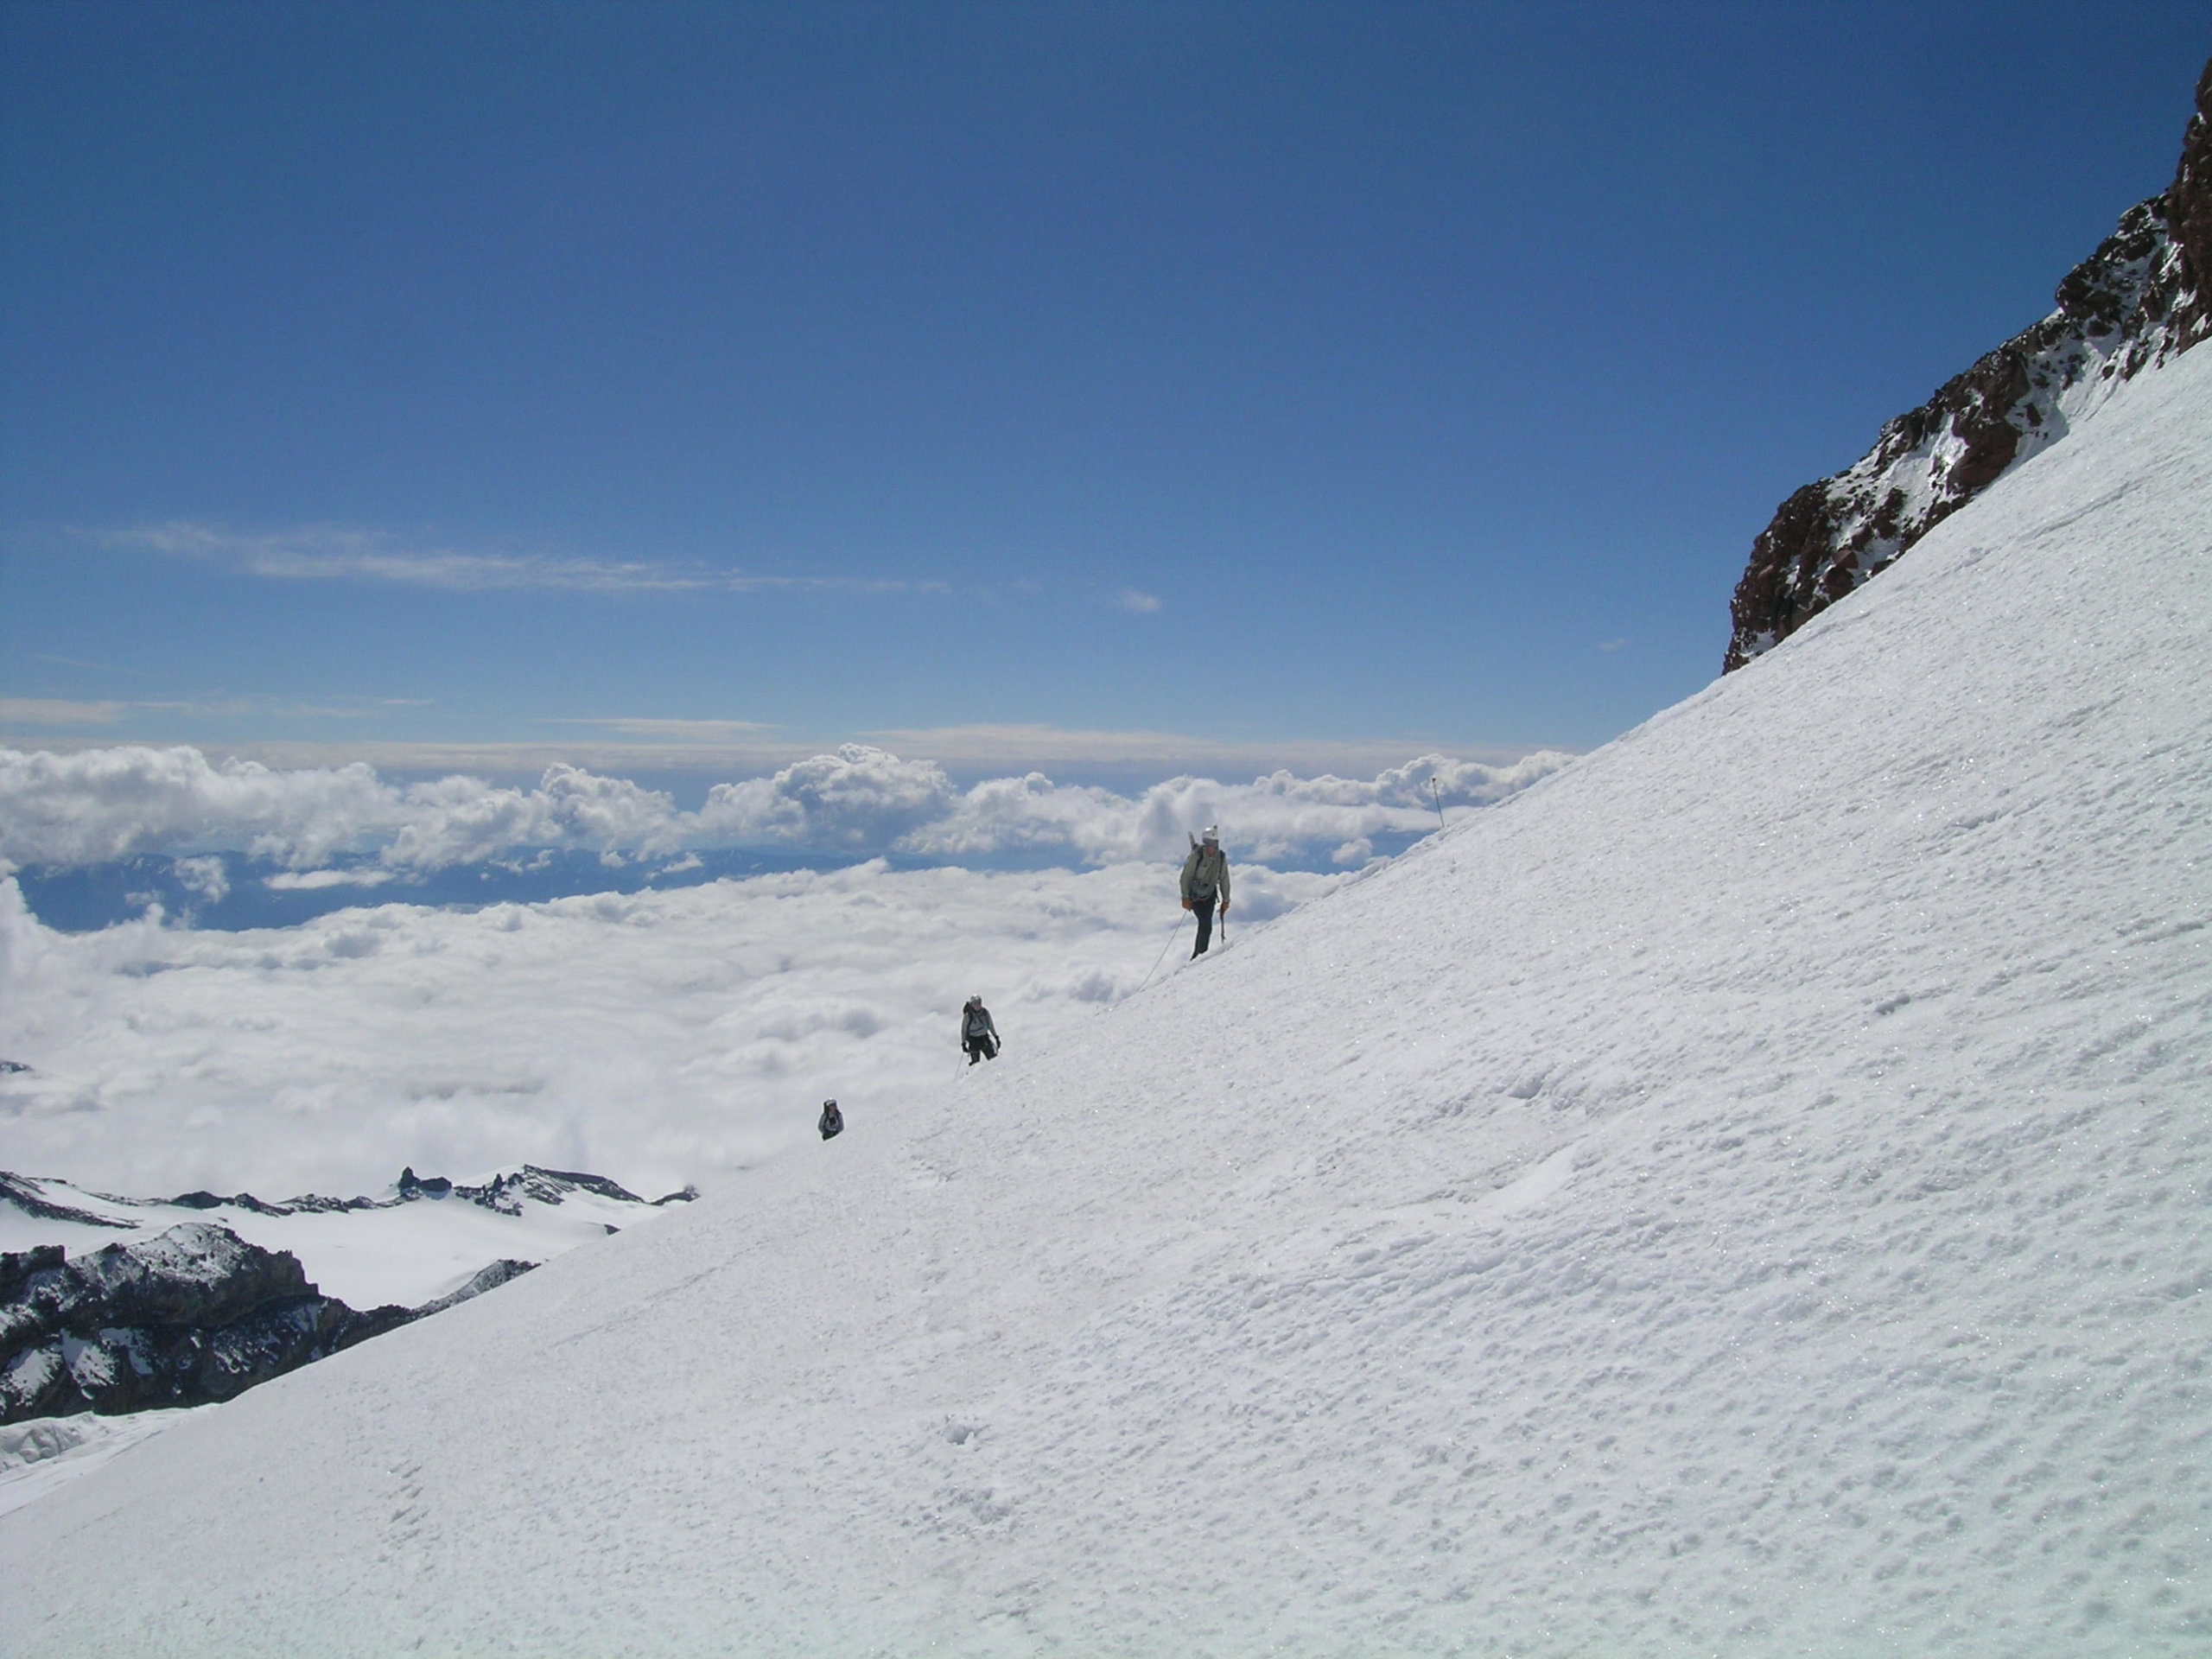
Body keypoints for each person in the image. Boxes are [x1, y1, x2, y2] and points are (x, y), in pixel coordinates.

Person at [1179, 824, 1231, 957]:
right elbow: (1186, 876)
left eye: (1213, 844)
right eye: (1208, 844)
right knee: (1204, 923)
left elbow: (1224, 878)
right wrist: (1185, 897)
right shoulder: (1197, 855)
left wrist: (1226, 900)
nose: (1211, 848)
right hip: (1195, 897)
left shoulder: (1221, 858)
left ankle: (1200, 955)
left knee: (1206, 925)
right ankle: (1199, 955)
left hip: (1209, 896)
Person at [960, 995, 1000, 1065]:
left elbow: (990, 1025)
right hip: (973, 1040)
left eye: (979, 1003)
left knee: (993, 1059)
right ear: (972, 1005)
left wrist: (996, 1037)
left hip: (984, 1038)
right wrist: (963, 1043)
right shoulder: (968, 1016)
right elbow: (964, 1030)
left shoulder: (985, 1012)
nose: (978, 1005)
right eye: (976, 1003)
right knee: (975, 1063)